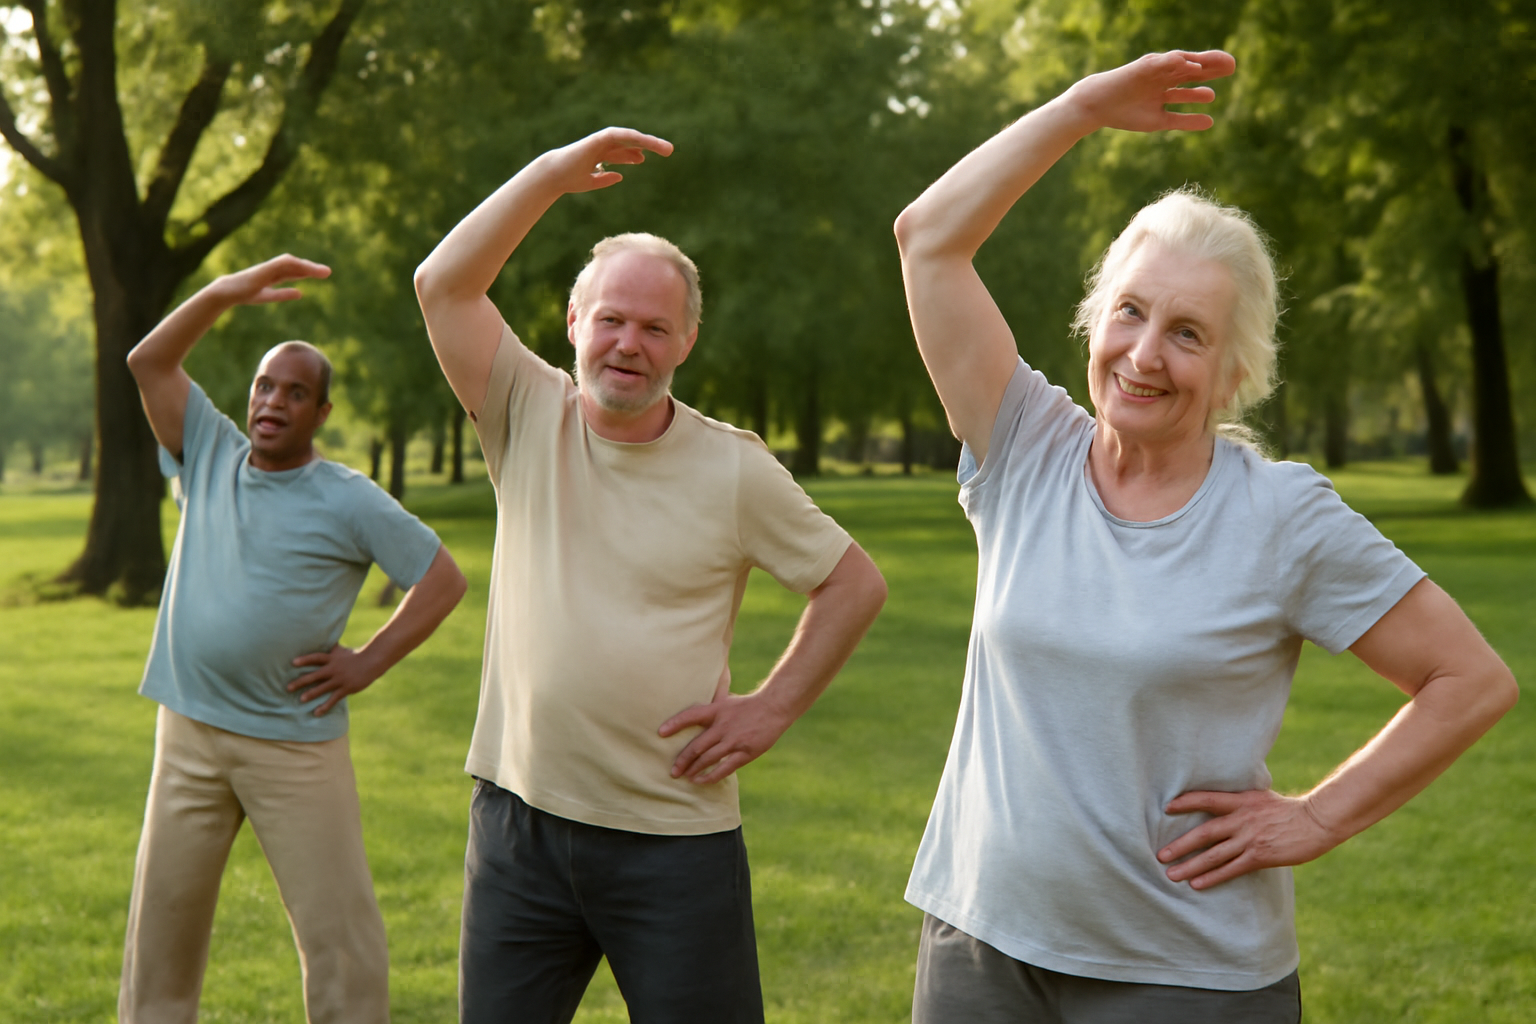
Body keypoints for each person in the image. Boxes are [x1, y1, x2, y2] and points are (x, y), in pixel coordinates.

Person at [893, 50, 1518, 1023]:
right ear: (1094, 322)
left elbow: (1471, 680)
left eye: (1187, 333)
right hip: (980, 947)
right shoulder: (1022, 445)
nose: (1145, 354)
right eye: (1131, 313)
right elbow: (928, 238)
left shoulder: (1280, 516)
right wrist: (1082, 108)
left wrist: (1317, 815)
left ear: (1233, 373)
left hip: (1185, 975)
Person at [413, 127, 888, 1024]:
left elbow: (854, 583)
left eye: (653, 328)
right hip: (521, 826)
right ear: (574, 326)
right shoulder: (523, 411)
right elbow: (443, 283)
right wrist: (552, 176)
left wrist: (772, 706)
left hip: (674, 845)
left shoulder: (735, 470)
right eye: (611, 320)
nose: (628, 343)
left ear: (686, 343)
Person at [120, 255, 468, 1024]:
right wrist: (226, 292)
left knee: (341, 941)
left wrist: (368, 660)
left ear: (321, 413)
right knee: (160, 941)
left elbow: (442, 578)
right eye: (265, 386)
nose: (274, 401)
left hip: (292, 747)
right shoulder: (207, 451)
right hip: (188, 733)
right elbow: (148, 359)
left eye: (296, 392)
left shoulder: (348, 499)